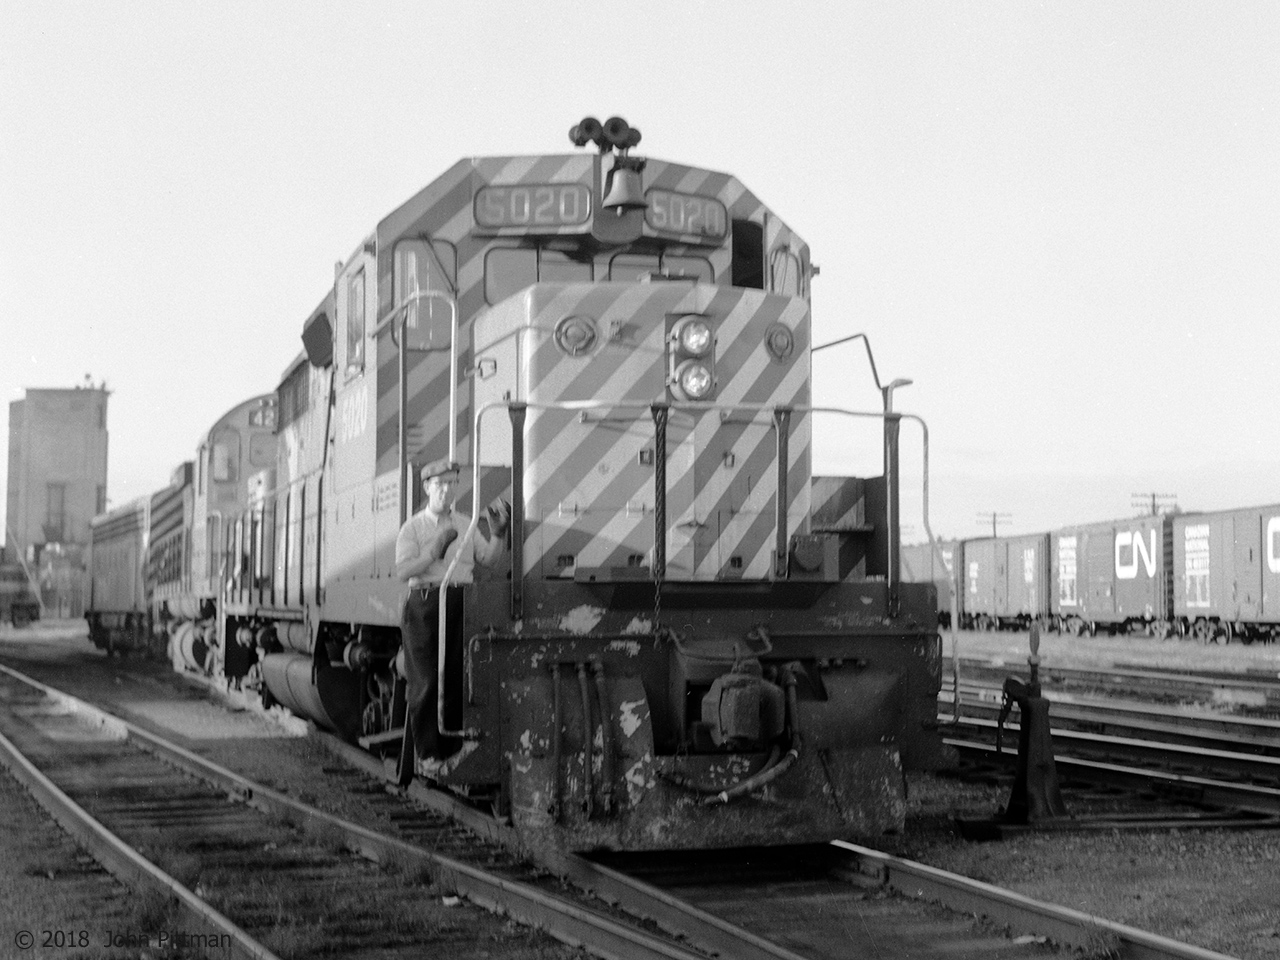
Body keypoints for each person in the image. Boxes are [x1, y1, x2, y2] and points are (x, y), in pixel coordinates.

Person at [396, 458, 509, 779]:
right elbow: (403, 572)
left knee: (460, 676)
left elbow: (487, 559)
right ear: (427, 487)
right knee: (427, 679)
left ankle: (455, 750)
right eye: (440, 485)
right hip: (426, 603)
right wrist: (431, 553)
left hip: (461, 600)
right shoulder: (413, 527)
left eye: (452, 484)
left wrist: (498, 534)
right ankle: (429, 756)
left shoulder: (465, 523)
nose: (446, 490)